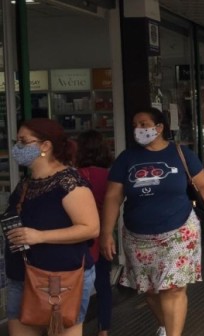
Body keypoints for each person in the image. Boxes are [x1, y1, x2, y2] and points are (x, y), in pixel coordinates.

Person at [100, 108, 204, 336]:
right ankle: (167, 327)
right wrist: (106, 232)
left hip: (179, 230)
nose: (139, 128)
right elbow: (113, 196)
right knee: (150, 290)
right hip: (138, 236)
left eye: (144, 123)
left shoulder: (180, 154)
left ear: (159, 127)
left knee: (174, 289)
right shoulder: (127, 158)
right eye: (135, 124)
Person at [3, 118, 100, 336]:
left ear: (45, 146)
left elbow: (90, 228)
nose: (17, 147)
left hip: (61, 279)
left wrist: (39, 236)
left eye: (23, 141)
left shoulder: (68, 182)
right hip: (21, 274)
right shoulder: (27, 183)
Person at [74, 130, 113, 336]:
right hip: (102, 236)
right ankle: (103, 330)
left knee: (77, 288)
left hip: (78, 239)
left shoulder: (72, 176)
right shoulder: (108, 176)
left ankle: (74, 327)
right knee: (103, 285)